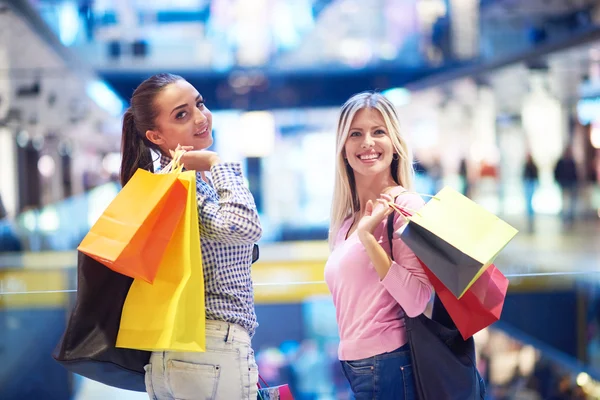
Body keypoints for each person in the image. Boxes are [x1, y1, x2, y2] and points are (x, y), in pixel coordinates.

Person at [120, 73, 262, 399]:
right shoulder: (186, 186)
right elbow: (245, 227)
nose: (200, 118)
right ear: (155, 135)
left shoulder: (166, 186)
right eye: (181, 115)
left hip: (172, 355)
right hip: (211, 350)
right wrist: (217, 162)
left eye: (199, 104)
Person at [324, 92, 433, 399]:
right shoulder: (345, 222)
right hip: (358, 364)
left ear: (394, 144)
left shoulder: (405, 206)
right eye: (355, 134)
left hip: (389, 362)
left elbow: (416, 300)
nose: (367, 143)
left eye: (378, 132)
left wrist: (369, 240)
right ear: (343, 148)